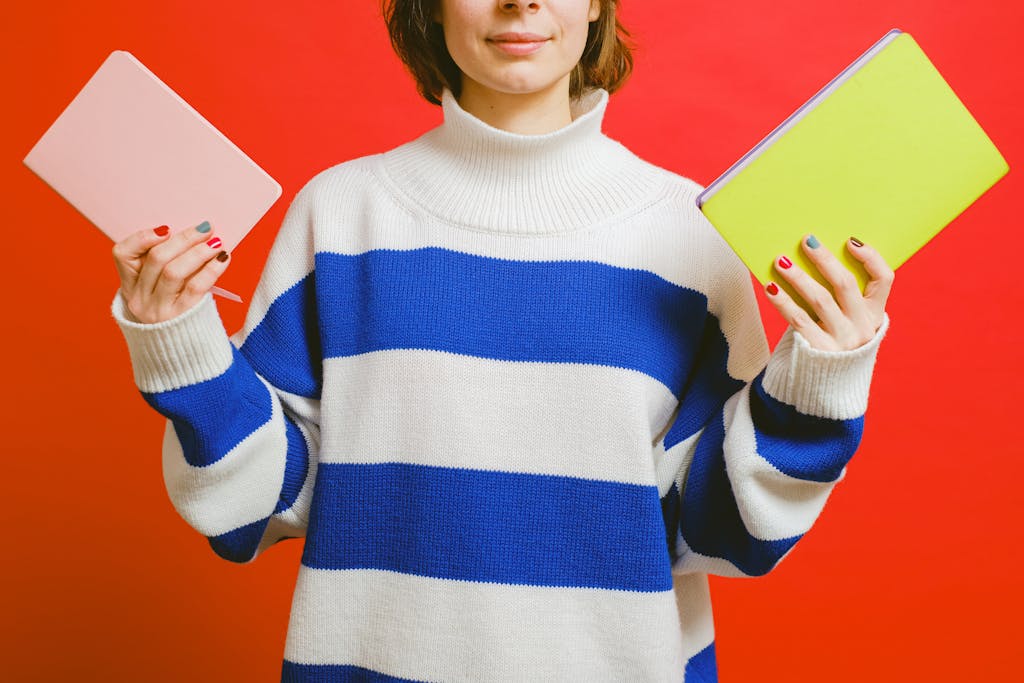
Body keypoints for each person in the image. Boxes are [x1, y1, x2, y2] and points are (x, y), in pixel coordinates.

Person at [109, 1, 893, 681]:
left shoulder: (689, 231)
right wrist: (179, 342)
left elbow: (725, 530)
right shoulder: (339, 215)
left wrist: (819, 374)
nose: (519, 1)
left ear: (594, 4)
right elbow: (253, 504)